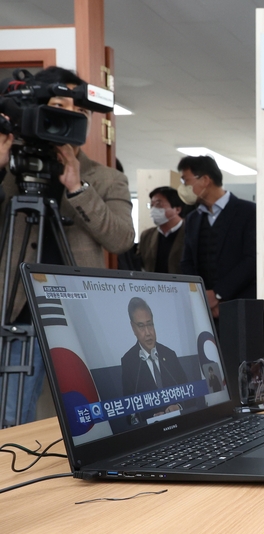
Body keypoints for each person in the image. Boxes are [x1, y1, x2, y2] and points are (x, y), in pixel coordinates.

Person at [0, 66, 134, 425]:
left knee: (90, 418)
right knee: (13, 417)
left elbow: (121, 238)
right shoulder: (12, 170)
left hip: (80, 312)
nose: (69, 118)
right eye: (60, 106)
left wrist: (78, 189)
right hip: (17, 310)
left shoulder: (107, 178)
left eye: (80, 113)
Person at [177, 155, 256, 320]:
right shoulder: (193, 218)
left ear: (205, 180)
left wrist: (218, 294)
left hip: (240, 307)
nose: (183, 187)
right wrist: (203, 295)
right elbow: (187, 262)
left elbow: (251, 260)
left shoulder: (248, 212)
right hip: (202, 309)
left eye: (186, 181)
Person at [120, 297, 187, 399]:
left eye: (150, 324)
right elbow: (130, 408)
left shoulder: (170, 355)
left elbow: (189, 393)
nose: (148, 333)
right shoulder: (128, 362)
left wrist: (178, 406)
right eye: (141, 326)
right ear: (133, 328)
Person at [138, 186, 188, 274]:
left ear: (177, 209)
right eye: (151, 205)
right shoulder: (146, 235)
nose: (153, 210)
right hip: (153, 285)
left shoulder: (191, 232)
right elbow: (139, 264)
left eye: (158, 204)